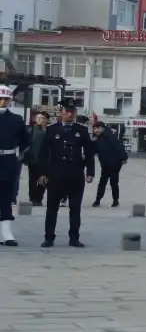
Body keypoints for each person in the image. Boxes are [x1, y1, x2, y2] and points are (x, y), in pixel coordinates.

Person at [40, 103, 94, 248]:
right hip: (56, 173)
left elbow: (89, 152)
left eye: (72, 112)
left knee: (75, 208)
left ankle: (74, 238)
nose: (70, 115)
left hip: (75, 174)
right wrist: (43, 173)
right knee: (52, 207)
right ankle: (49, 237)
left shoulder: (81, 130)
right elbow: (44, 153)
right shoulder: (52, 130)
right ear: (61, 113)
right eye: (67, 112)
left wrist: (90, 172)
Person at [0, 85, 24, 247]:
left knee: (6, 199)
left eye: (6, 99)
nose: (3, 102)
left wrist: (20, 157)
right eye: (1, 98)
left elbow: (26, 142)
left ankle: (6, 233)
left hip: (7, 162)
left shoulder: (16, 120)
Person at [90, 122, 127, 207]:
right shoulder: (97, 139)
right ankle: (98, 199)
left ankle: (115, 200)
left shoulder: (110, 136)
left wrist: (124, 158)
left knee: (113, 182)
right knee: (103, 182)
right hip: (105, 164)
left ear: (103, 128)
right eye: (95, 129)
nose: (96, 130)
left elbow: (119, 146)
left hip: (115, 163)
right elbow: (94, 150)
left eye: (98, 128)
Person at [25, 110, 49, 206]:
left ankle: (38, 198)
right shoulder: (32, 130)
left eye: (42, 118)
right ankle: (33, 197)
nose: (40, 120)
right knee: (32, 180)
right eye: (38, 118)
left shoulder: (49, 131)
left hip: (45, 160)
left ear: (46, 120)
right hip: (33, 159)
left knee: (43, 180)